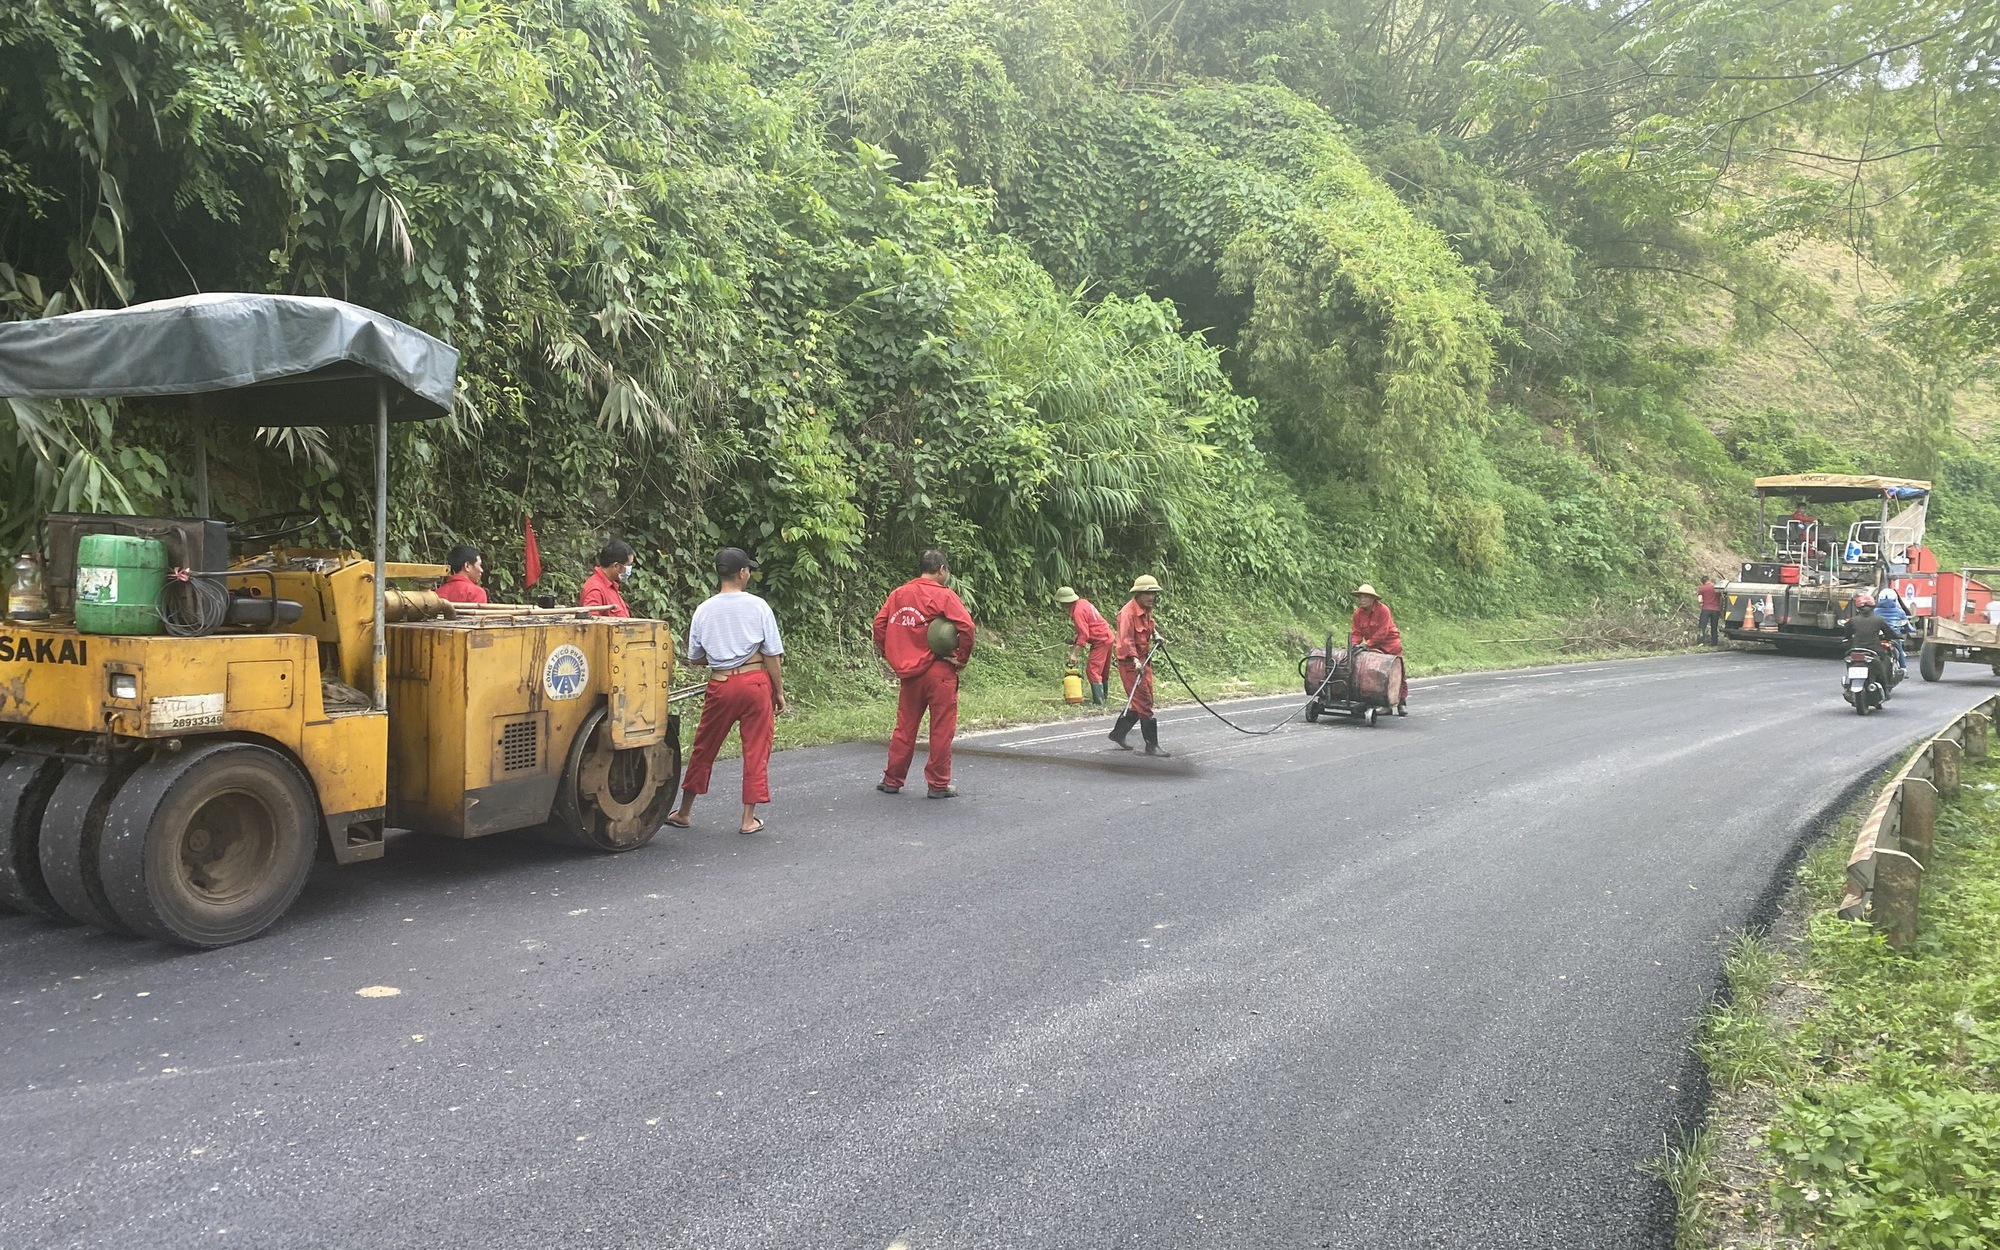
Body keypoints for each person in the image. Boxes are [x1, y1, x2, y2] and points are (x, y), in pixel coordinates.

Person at [667, 548, 785, 836]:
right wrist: (779, 691)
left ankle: (684, 811)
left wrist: (721, 655)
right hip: (754, 682)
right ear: (742, 573)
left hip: (720, 683)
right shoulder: (758, 606)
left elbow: (695, 658)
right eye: (748, 570)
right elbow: (772, 655)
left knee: (704, 746)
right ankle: (748, 819)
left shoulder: (704, 609)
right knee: (756, 748)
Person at [873, 550, 976, 798]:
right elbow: (967, 626)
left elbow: (879, 625)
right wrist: (961, 658)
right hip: (939, 670)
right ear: (941, 569)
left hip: (910, 674)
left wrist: (893, 652)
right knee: (941, 729)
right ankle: (938, 785)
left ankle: (892, 780)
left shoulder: (899, 594)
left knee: (905, 727)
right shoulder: (944, 595)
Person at [1109, 574, 1171, 756]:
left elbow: (1150, 624)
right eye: (1147, 593)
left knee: (1141, 701)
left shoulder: (1145, 608)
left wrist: (1156, 635)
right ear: (1138, 594)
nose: (1151, 597)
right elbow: (1126, 640)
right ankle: (1151, 746)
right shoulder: (1127, 614)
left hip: (1144, 660)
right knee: (1144, 702)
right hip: (1131, 664)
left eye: (1153, 593)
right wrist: (1135, 660)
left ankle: (1118, 733)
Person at [1350, 583, 1410, 713]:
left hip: (1390, 645)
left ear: (1373, 599)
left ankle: (1401, 702)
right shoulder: (1358, 614)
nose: (1363, 600)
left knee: (1397, 674)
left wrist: (1368, 644)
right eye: (1361, 597)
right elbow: (1356, 633)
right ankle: (1384, 704)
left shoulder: (1383, 610)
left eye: (1366, 597)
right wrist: (1353, 645)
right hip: (1373, 646)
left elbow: (1383, 631)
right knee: (1376, 675)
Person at [1056, 586, 1113, 705]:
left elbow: (1084, 634)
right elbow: (1089, 625)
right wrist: (1075, 638)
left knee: (1092, 671)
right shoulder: (1083, 603)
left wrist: (1074, 654)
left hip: (1100, 640)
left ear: (1065, 602)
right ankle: (1104, 698)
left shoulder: (1077, 612)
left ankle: (1099, 703)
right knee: (1103, 671)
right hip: (1107, 636)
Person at [580, 539, 633, 617]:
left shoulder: (610, 585)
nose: (630, 568)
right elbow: (591, 623)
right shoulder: (595, 590)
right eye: (628, 565)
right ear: (616, 566)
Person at [1874, 587, 1912, 671]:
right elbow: (1907, 625)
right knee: (1900, 650)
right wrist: (1911, 630)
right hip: (1894, 635)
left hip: (1878, 635)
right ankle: (1903, 668)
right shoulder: (1900, 612)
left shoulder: (1875, 611)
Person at [1697, 575, 1722, 645]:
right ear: (1709, 580)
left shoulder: (1702, 588)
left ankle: (1701, 642)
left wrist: (1702, 603)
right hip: (1716, 610)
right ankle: (1714, 643)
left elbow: (1699, 600)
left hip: (1706, 609)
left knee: (1702, 626)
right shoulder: (1716, 587)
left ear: (1702, 581)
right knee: (1714, 627)